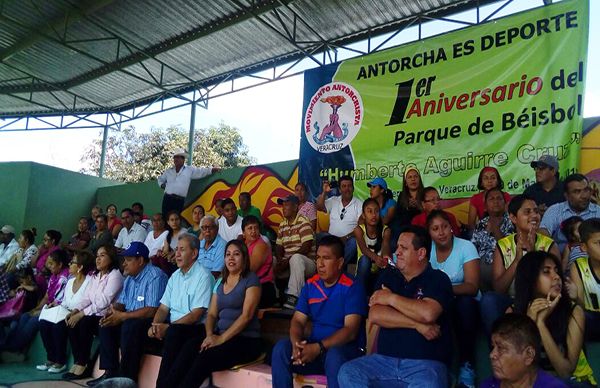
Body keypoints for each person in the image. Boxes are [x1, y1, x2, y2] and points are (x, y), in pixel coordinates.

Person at [338, 226, 453, 388]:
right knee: (348, 372)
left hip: (425, 365)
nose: (397, 252)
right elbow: (376, 314)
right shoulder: (389, 276)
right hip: (383, 361)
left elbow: (428, 313)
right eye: (397, 247)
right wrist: (417, 324)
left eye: (404, 248)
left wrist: (390, 298)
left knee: (430, 383)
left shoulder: (438, 279)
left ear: (421, 253)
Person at [159, 240, 263, 388]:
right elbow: (212, 314)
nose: (231, 258)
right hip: (221, 334)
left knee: (205, 358)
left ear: (245, 258)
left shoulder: (251, 280)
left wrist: (220, 339)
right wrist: (209, 335)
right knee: (190, 347)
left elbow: (246, 316)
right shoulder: (221, 281)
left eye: (236, 254)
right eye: (228, 255)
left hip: (246, 340)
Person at [272, 235, 366, 388]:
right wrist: (296, 344)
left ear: (340, 262)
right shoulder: (310, 285)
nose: (320, 264)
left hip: (345, 352)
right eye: (318, 258)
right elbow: (297, 320)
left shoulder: (352, 286)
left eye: (326, 258)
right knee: (281, 349)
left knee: (334, 356)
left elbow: (351, 331)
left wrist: (319, 348)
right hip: (316, 350)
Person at [87, 242, 167, 386]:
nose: (124, 264)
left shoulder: (156, 276)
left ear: (141, 260)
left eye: (128, 260)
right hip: (131, 319)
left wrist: (122, 316)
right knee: (106, 324)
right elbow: (122, 302)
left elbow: (152, 310)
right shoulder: (130, 278)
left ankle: (127, 378)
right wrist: (114, 311)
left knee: (130, 326)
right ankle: (110, 373)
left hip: (151, 322)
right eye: (124, 260)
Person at [481, 194, 560, 336]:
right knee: (489, 299)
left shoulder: (549, 245)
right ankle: (496, 349)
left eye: (536, 211)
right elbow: (499, 288)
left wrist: (532, 255)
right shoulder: (503, 245)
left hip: (540, 300)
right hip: (511, 299)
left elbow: (553, 287)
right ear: (513, 218)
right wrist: (517, 261)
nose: (534, 216)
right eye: (527, 212)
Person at [512, 251, 596, 385]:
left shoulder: (573, 312)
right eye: (546, 272)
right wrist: (529, 323)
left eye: (557, 271)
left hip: (576, 382)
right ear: (530, 279)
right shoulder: (513, 312)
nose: (556, 277)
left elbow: (565, 371)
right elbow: (514, 367)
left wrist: (540, 324)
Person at [151, 233, 215, 388]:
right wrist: (155, 326)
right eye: (176, 249)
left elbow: (196, 315)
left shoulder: (203, 276)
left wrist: (168, 328)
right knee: (136, 326)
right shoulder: (175, 276)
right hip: (176, 329)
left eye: (182, 250)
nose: (177, 254)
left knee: (175, 335)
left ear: (194, 253)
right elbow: (163, 308)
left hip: (196, 328)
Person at [427, 210, 480, 388]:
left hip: (466, 303)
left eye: (445, 227)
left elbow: (472, 287)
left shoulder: (466, 247)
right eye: (435, 229)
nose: (441, 232)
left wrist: (443, 291)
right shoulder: (425, 250)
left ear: (452, 228)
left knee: (464, 305)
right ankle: (444, 369)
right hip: (439, 303)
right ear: (429, 232)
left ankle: (467, 366)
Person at [0, 249, 70, 361]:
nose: (48, 266)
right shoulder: (54, 276)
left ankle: (11, 347)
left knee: (34, 319)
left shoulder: (64, 277)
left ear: (60, 264)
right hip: (47, 308)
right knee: (25, 316)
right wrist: (35, 309)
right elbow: (46, 297)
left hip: (57, 310)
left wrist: (39, 312)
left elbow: (58, 302)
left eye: (51, 263)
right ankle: (10, 348)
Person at [66, 245, 124, 380]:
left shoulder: (115, 276)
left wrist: (82, 313)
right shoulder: (95, 276)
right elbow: (86, 297)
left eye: (102, 255)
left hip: (106, 316)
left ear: (111, 258)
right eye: (97, 256)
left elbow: (102, 302)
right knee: (71, 322)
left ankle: (82, 364)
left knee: (84, 322)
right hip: (93, 314)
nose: (98, 259)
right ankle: (78, 361)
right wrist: (76, 310)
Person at [37, 250, 94, 374]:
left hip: (79, 314)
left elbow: (89, 302)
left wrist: (73, 311)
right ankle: (51, 358)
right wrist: (56, 304)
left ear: (80, 267)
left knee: (59, 326)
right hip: (65, 311)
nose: (69, 264)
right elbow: (65, 302)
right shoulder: (70, 281)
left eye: (72, 262)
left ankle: (60, 361)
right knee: (43, 323)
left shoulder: (90, 281)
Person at [481, 313, 568, 388]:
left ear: (529, 355)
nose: (492, 355)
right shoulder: (488, 385)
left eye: (501, 348)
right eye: (493, 347)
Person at [274, 194, 316, 309]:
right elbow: (278, 246)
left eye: (287, 205)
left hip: (307, 264)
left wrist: (287, 261)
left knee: (296, 258)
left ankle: (294, 297)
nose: (283, 208)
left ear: (295, 207)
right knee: (271, 260)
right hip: (288, 262)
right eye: (283, 205)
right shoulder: (282, 224)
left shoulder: (303, 222)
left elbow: (306, 247)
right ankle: (275, 296)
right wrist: (279, 260)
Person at [540, 173, 600, 252]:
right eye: (577, 192)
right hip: (560, 259)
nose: (584, 196)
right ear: (566, 195)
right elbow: (542, 233)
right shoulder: (555, 210)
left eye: (586, 190)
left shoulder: (598, 212)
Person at [471, 188, 514, 291]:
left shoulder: (512, 221)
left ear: (505, 204)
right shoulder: (481, 224)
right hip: (480, 270)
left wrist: (495, 228)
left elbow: (508, 249)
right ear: (485, 206)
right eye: (492, 199)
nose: (496, 201)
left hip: (503, 267)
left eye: (499, 198)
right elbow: (473, 248)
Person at [316, 175, 362, 266]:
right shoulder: (333, 200)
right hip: (332, 240)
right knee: (319, 236)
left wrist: (346, 237)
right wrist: (324, 192)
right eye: (344, 186)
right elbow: (319, 206)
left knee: (354, 242)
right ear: (340, 190)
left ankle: (339, 266)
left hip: (347, 241)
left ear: (353, 188)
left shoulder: (359, 204)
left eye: (349, 186)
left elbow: (360, 227)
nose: (347, 189)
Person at [157, 148, 219, 217]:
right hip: (167, 198)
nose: (175, 159)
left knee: (176, 219)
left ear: (183, 159)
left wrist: (211, 170)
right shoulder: (169, 171)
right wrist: (162, 185)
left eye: (178, 157)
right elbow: (160, 179)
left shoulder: (189, 170)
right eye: (175, 157)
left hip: (179, 200)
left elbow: (201, 172)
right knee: (165, 218)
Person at [569, 218, 600, 341]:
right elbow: (580, 306)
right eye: (598, 243)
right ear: (584, 247)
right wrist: (575, 296)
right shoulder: (578, 266)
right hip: (590, 319)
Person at [353, 198, 391, 292]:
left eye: (376, 211)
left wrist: (385, 257)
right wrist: (376, 258)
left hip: (379, 270)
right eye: (369, 211)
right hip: (364, 271)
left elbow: (386, 245)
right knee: (365, 260)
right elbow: (363, 249)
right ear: (364, 215)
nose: (374, 215)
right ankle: (359, 293)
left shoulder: (386, 230)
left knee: (388, 262)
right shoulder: (358, 230)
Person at [242, 215, 276, 307]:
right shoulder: (243, 245)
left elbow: (250, 269)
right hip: (249, 287)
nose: (253, 231)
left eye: (256, 228)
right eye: (250, 228)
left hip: (263, 288)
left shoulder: (261, 246)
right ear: (243, 233)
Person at [389, 166, 425, 250]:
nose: (413, 179)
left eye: (415, 177)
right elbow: (398, 217)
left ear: (419, 180)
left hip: (420, 228)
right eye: (410, 177)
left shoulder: (425, 194)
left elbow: (431, 214)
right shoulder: (402, 196)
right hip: (403, 229)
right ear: (405, 182)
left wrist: (419, 206)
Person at [32, 229, 62, 293]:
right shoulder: (45, 250)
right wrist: (38, 253)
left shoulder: (56, 252)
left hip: (45, 278)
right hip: (37, 273)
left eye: (45, 240)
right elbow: (33, 264)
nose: (43, 242)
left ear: (53, 241)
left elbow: (47, 270)